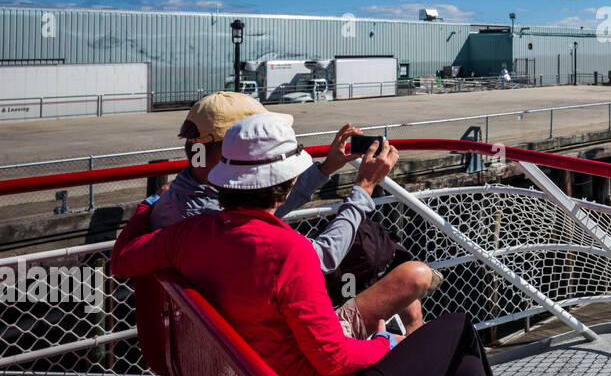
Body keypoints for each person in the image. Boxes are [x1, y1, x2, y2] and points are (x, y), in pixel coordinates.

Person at [112, 113, 525, 376]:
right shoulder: (288, 251)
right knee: (458, 331)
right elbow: (330, 357)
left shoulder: (191, 234)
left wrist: (147, 207)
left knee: (467, 373)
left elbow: (123, 258)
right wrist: (387, 345)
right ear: (288, 183)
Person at [154, 92, 436, 337]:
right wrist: (364, 187)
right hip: (283, 338)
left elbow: (262, 202)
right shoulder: (212, 223)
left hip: (237, 334)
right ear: (230, 145)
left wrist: (326, 168)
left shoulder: (192, 197)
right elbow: (321, 258)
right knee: (411, 277)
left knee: (376, 250)